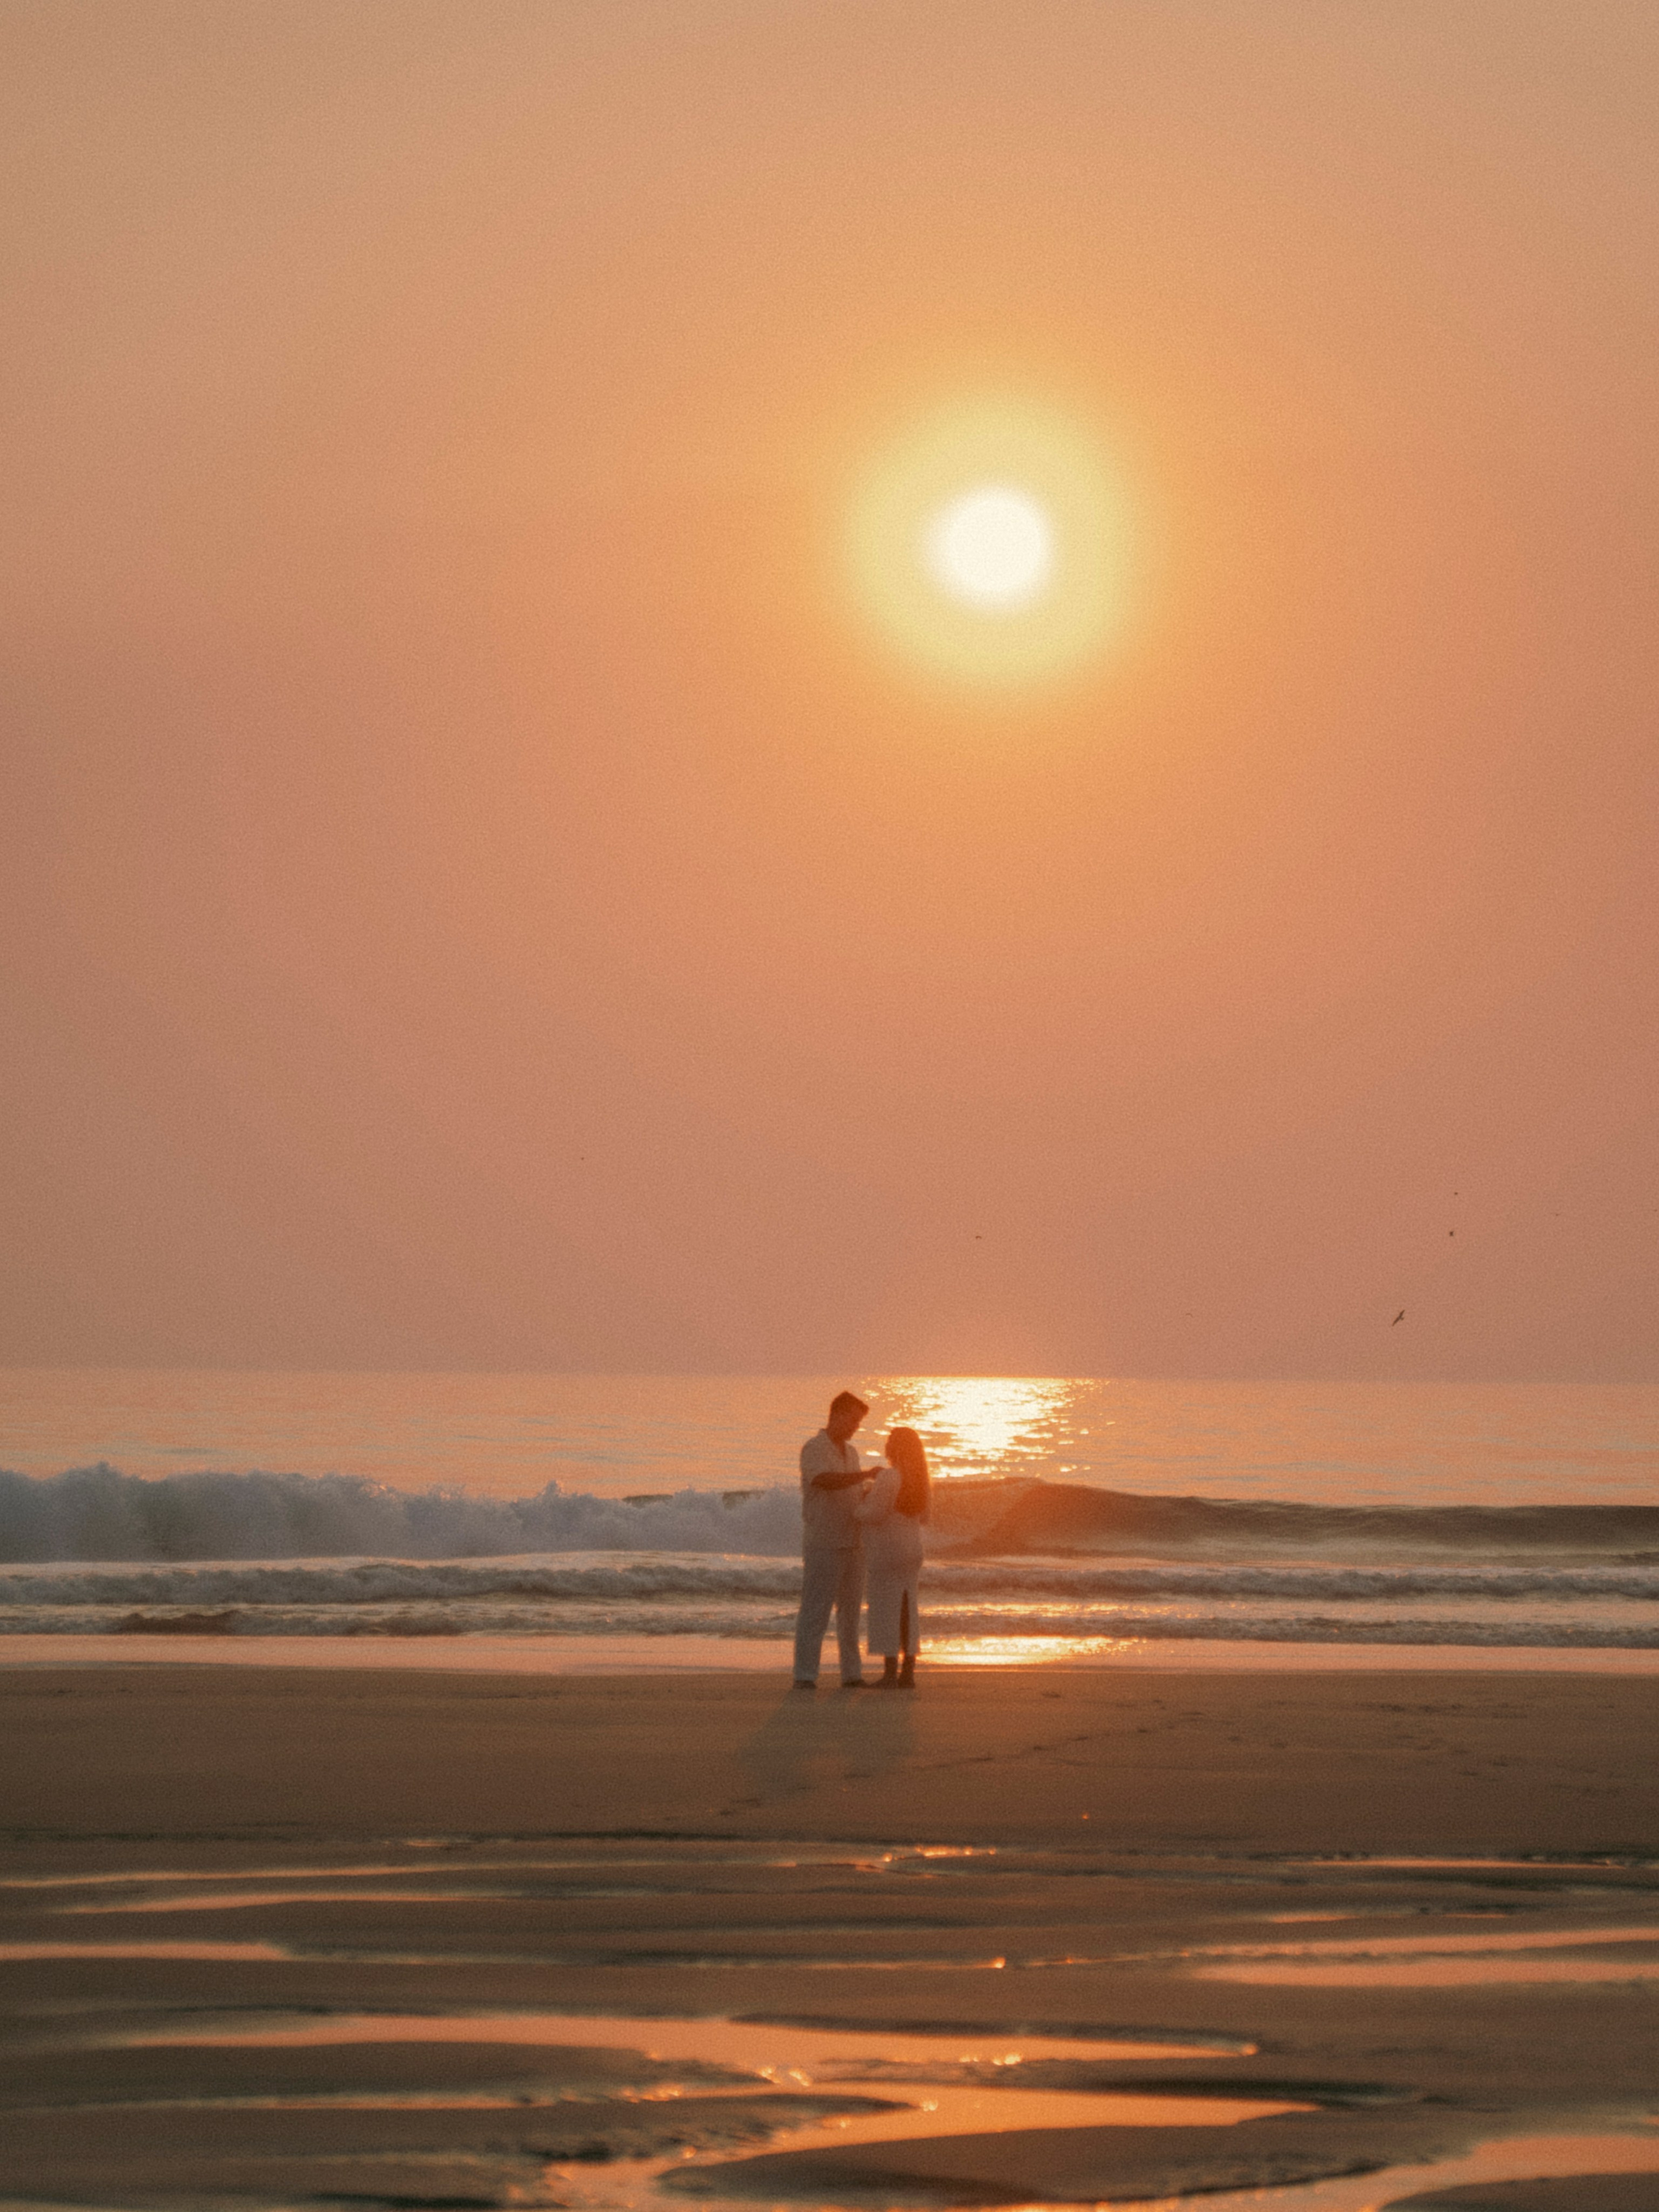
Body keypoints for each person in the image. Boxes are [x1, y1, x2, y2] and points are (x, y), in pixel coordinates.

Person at [793, 1390, 871, 1690]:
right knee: (816, 1608)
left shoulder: (851, 1453)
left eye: (859, 1422)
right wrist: (863, 1477)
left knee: (850, 1612)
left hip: (853, 1540)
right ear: (837, 1415)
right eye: (853, 1420)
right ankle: (805, 1674)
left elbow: (851, 1491)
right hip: (824, 1540)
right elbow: (824, 1480)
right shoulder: (814, 1448)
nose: (856, 1427)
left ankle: (851, 1674)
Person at [855, 1425, 929, 1688]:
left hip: (889, 1551)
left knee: (887, 1610)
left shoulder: (889, 1477)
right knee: (908, 1610)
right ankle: (908, 1673)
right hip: (913, 1550)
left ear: (894, 1448)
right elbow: (924, 1517)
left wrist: (860, 1503)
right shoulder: (921, 1481)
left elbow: (874, 1514)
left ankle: (889, 1674)